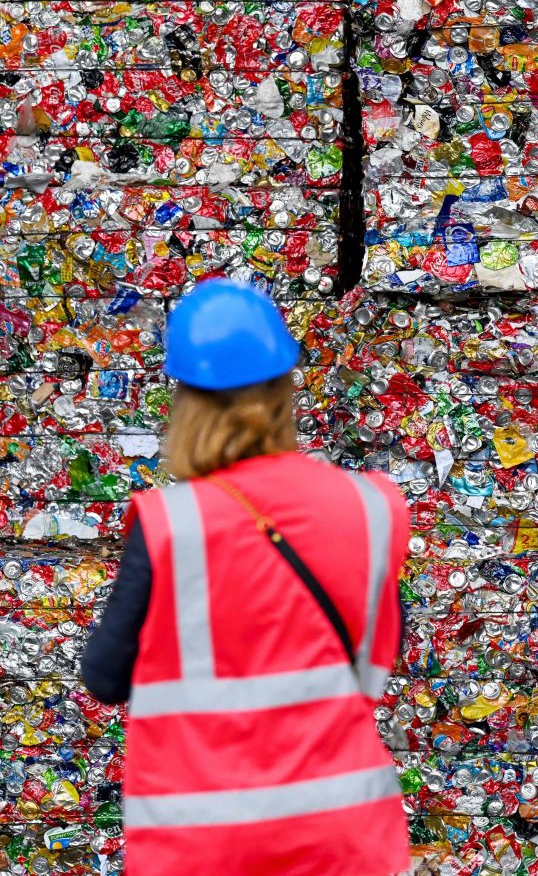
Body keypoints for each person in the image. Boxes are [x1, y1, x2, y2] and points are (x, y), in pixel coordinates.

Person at [80, 279, 411, 876]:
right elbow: (380, 652)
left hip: (206, 845)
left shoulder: (172, 524)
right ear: (285, 388)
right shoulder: (372, 506)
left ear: (187, 401)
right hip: (346, 835)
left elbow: (104, 676)